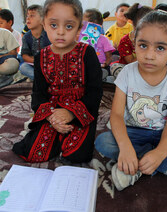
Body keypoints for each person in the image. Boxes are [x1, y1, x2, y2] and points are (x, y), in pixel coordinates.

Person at [95, 11, 167, 191]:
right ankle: (162, 164)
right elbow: (117, 115)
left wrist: (161, 152)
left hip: (166, 136)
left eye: (160, 48)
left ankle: (137, 167)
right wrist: (126, 148)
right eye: (143, 45)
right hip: (133, 133)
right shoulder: (127, 73)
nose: (149, 55)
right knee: (102, 141)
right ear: (134, 42)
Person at [12, 0, 103, 163]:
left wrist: (71, 112)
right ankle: (54, 132)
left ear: (78, 28)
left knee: (77, 155)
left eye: (69, 26)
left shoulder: (87, 53)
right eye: (54, 25)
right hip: (52, 111)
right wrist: (51, 118)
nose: (60, 32)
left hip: (81, 110)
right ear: (44, 25)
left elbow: (95, 92)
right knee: (33, 152)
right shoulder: (40, 56)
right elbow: (38, 93)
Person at [109, 3, 152, 78]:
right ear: (134, 23)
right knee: (115, 67)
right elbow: (130, 62)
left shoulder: (155, 38)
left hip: (148, 68)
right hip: (129, 68)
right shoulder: (125, 41)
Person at [80, 9, 115, 79]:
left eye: (83, 22)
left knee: (101, 71)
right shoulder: (80, 38)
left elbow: (109, 57)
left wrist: (104, 64)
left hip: (100, 66)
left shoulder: (103, 39)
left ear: (92, 24)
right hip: (84, 65)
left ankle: (100, 74)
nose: (81, 23)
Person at [19, 4, 51, 81]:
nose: (28, 18)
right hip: (34, 64)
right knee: (23, 67)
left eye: (32, 16)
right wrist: (36, 60)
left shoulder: (49, 34)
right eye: (27, 16)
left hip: (48, 64)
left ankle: (37, 79)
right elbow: (25, 56)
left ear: (42, 20)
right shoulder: (26, 36)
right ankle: (43, 79)